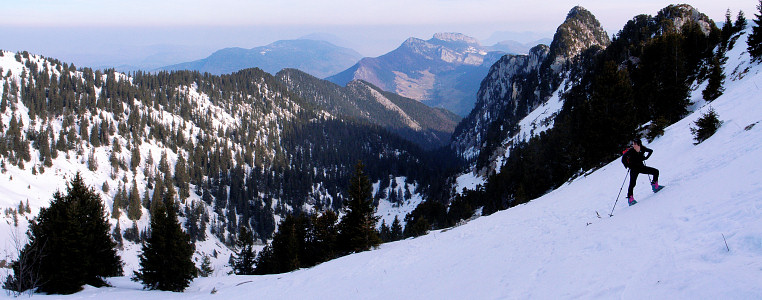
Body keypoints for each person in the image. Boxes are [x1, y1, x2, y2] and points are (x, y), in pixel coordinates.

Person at [621, 139, 663, 206]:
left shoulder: (642, 148)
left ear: (639, 144)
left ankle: (655, 186)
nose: (633, 145)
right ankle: (630, 199)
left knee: (655, 171)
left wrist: (645, 158)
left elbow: (650, 151)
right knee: (632, 183)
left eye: (634, 144)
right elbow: (623, 158)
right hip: (634, 169)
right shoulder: (631, 150)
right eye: (633, 144)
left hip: (641, 168)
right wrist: (628, 166)